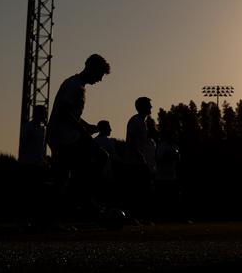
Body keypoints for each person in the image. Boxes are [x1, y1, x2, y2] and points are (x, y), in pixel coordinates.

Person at [46, 54, 110, 220]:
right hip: (64, 137)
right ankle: (83, 197)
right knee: (100, 156)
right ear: (91, 69)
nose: (100, 80)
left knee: (62, 175)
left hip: (64, 136)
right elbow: (64, 112)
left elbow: (69, 112)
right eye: (100, 75)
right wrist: (82, 130)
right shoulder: (74, 86)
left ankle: (58, 213)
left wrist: (86, 125)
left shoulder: (75, 84)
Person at [18, 105, 49, 227]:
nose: (45, 115)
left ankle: (36, 220)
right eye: (44, 113)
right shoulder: (28, 127)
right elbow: (23, 145)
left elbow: (41, 148)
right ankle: (25, 220)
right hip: (28, 164)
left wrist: (44, 160)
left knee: (37, 193)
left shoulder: (43, 128)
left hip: (38, 164)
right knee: (28, 193)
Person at [124, 96, 154, 222]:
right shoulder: (135, 121)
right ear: (142, 107)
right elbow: (130, 140)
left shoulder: (142, 122)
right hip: (134, 161)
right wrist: (139, 155)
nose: (151, 107)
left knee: (142, 189)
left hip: (139, 161)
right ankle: (133, 216)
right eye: (148, 105)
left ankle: (140, 216)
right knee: (137, 190)